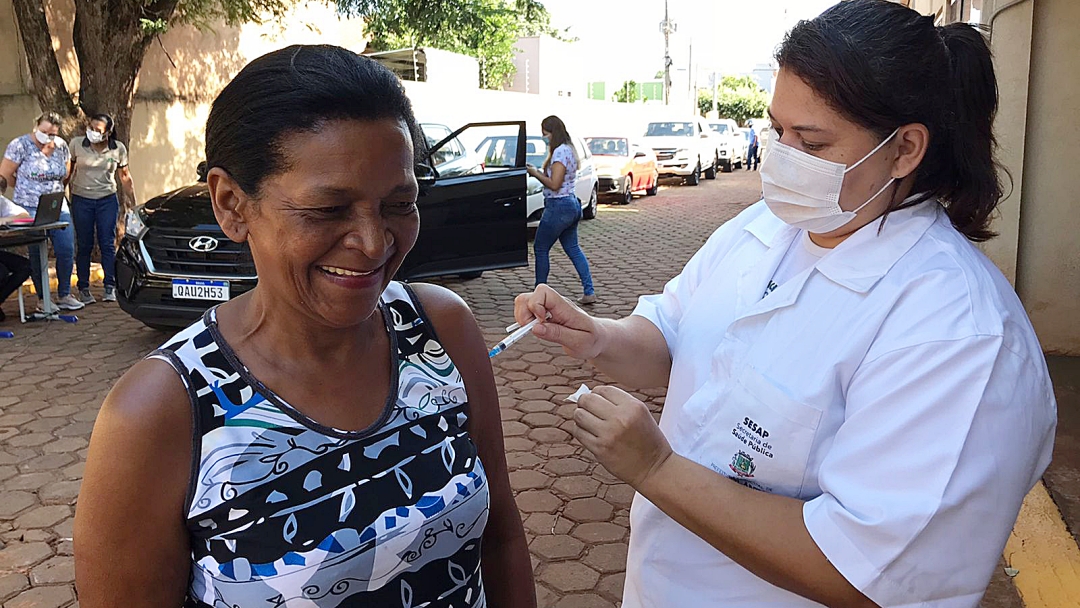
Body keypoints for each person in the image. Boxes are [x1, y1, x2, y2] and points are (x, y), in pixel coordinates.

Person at [513, 2, 1056, 606]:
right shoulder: (762, 230)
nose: (782, 158)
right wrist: (596, 337)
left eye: (811, 141)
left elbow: (869, 575)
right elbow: (673, 338)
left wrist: (656, 470)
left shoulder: (957, 335)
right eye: (778, 131)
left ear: (904, 150)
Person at [74, 45, 534, 608]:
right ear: (231, 204)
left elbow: (501, 540)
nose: (372, 243)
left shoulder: (441, 332)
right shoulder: (160, 413)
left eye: (399, 203)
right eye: (327, 210)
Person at [0, 112, 84, 311]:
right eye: (44, 131)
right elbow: (5, 176)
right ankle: (43, 298)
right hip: (27, 205)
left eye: (52, 133)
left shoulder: (61, 146)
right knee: (37, 250)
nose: (48, 136)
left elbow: (65, 174)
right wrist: (25, 188)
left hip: (55, 203)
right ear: (35, 126)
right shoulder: (19, 145)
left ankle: (64, 293)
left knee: (66, 248)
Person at [526, 115, 596, 305]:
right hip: (571, 204)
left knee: (540, 248)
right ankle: (589, 291)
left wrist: (535, 173)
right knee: (573, 249)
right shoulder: (570, 149)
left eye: (545, 134)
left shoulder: (559, 153)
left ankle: (539, 294)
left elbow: (554, 184)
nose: (544, 138)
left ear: (552, 133)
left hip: (558, 206)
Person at [70, 113, 135, 304]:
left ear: (108, 133)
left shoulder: (118, 149)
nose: (92, 132)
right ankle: (83, 288)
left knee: (107, 243)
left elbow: (124, 176)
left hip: (107, 200)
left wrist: (132, 201)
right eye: (91, 128)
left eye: (97, 130)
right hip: (82, 199)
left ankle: (110, 286)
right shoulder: (76, 145)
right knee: (84, 244)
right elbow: (68, 171)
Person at [0, 177, 32, 323]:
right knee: (2, 273)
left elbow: (25, 216)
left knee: (25, 266)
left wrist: (5, 220)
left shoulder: (2, 202)